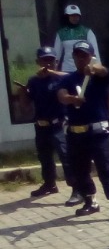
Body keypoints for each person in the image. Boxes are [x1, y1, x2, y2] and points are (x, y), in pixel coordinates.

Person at [56, 41, 109, 222]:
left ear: (91, 56)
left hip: (98, 133)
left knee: (106, 168)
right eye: (78, 55)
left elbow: (104, 70)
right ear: (73, 57)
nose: (81, 58)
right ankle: (90, 201)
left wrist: (94, 69)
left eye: (85, 55)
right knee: (79, 170)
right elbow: (61, 95)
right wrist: (72, 99)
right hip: (75, 133)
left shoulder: (99, 77)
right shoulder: (68, 79)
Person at [19, 47, 74, 200]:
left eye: (51, 60)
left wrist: (51, 73)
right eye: (45, 60)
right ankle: (49, 184)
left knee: (65, 156)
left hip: (58, 124)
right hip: (41, 125)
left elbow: (72, 76)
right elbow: (26, 107)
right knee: (44, 157)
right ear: (38, 62)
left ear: (56, 62)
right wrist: (22, 94)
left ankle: (76, 188)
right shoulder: (34, 81)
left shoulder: (61, 78)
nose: (48, 64)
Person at [52, 4, 100, 73]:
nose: (75, 18)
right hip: (67, 69)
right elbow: (56, 55)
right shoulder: (61, 33)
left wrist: (96, 68)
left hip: (84, 69)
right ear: (67, 16)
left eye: (76, 15)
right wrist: (54, 71)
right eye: (72, 15)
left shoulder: (87, 31)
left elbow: (95, 53)